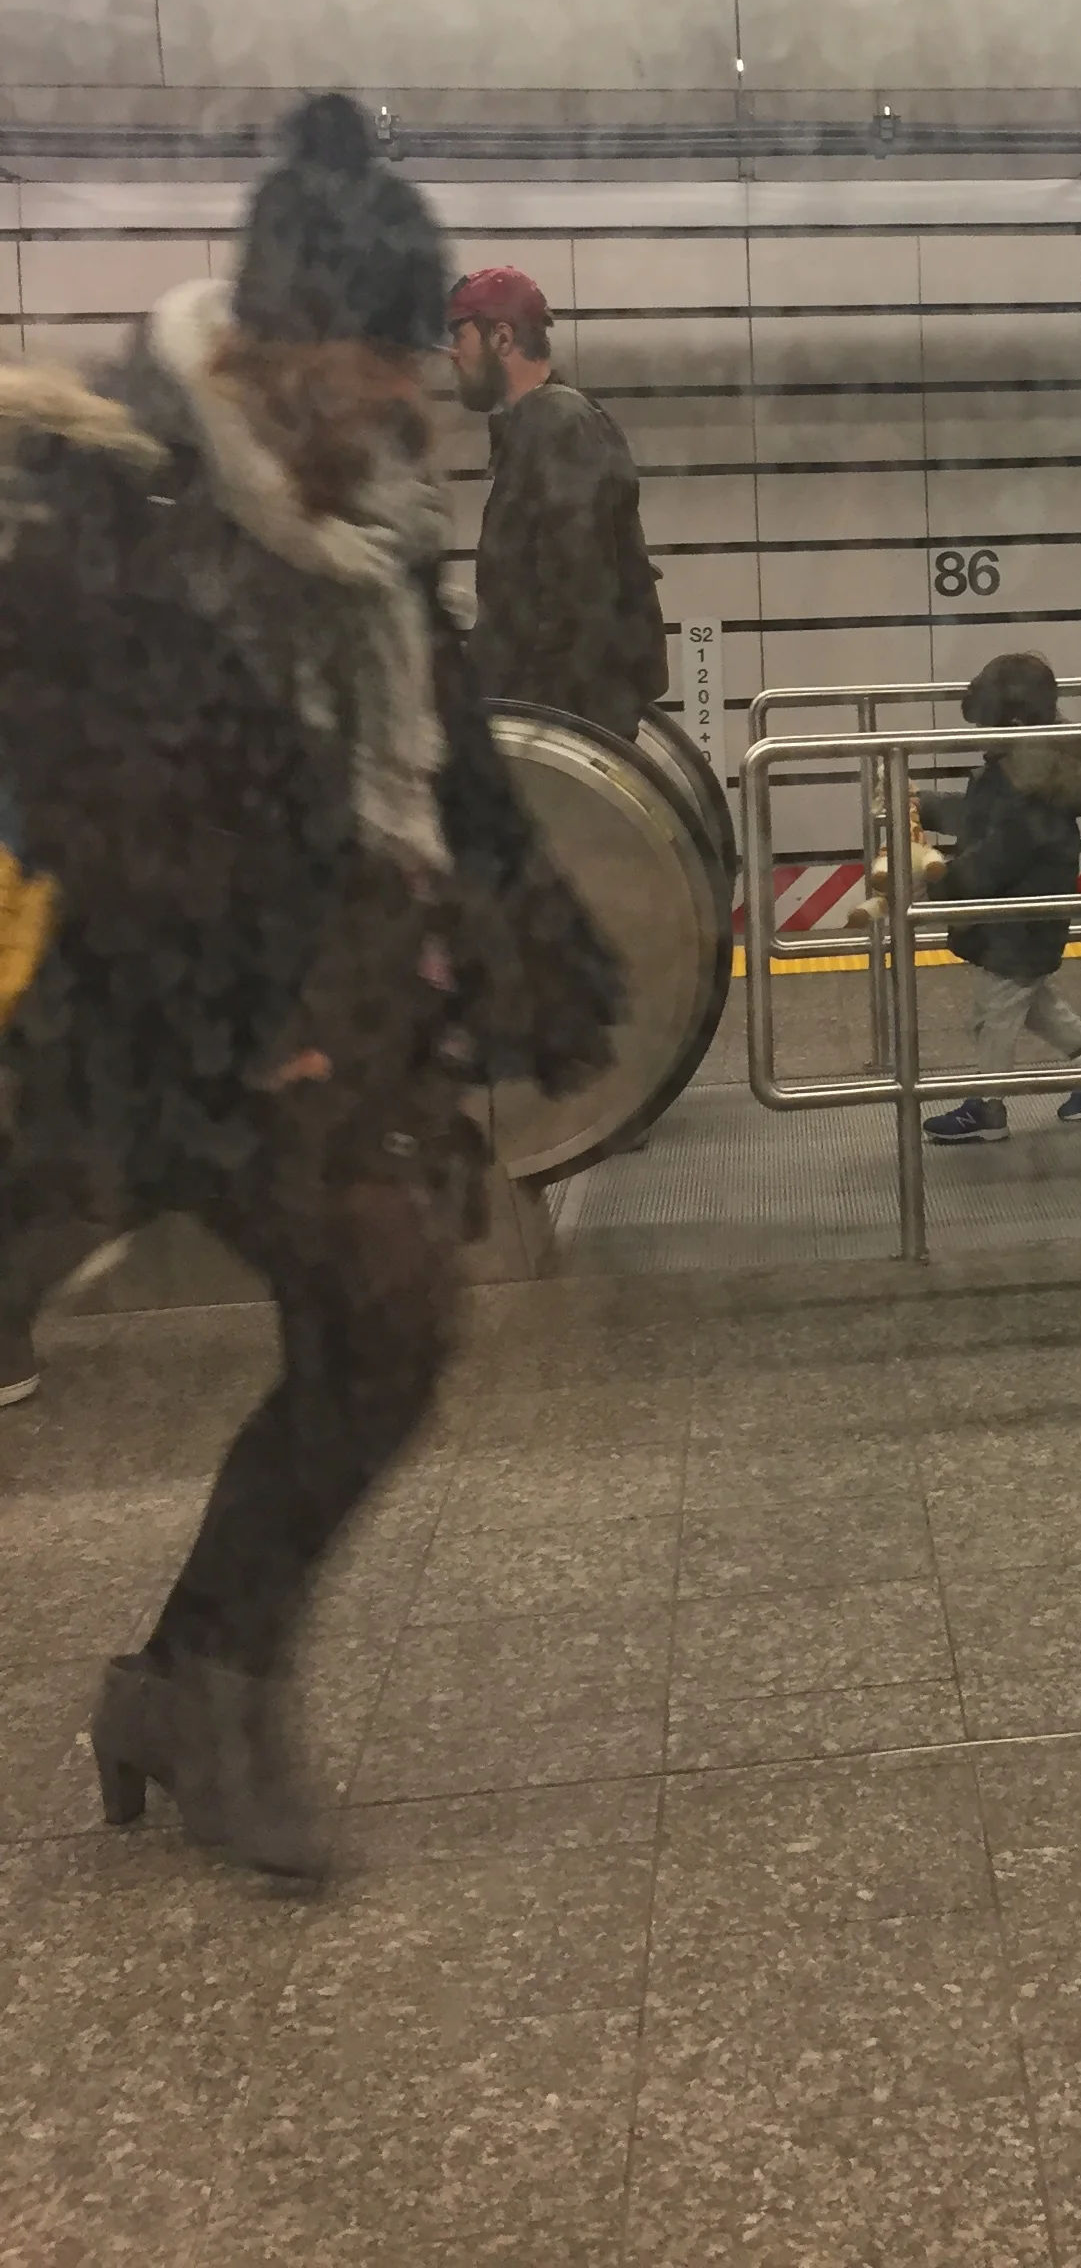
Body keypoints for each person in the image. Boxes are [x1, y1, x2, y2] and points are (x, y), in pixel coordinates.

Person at [0, 97, 620, 1877]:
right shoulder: (112, 482)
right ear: (269, 347)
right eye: (370, 364)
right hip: (103, 1020)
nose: (401, 401)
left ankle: (196, 1681)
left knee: (382, 1322)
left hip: (292, 1013)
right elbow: (96, 784)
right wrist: (248, 1005)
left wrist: (534, 930)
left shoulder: (374, 515)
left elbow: (441, 728)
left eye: (412, 363)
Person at [447, 264, 669, 739]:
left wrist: (538, 730)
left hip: (561, 722)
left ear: (501, 337)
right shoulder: (540, 426)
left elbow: (576, 594)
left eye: (459, 334)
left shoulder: (558, 425)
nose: (452, 354)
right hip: (559, 715)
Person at [920, 652, 1081, 1145]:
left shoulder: (1026, 785)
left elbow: (996, 854)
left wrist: (944, 883)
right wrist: (927, 807)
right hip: (1022, 921)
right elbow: (984, 820)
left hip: (1019, 920)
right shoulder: (1027, 769)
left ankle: (987, 1109)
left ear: (1011, 723)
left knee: (992, 1017)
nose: (979, 736)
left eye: (984, 726)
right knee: (1030, 1002)